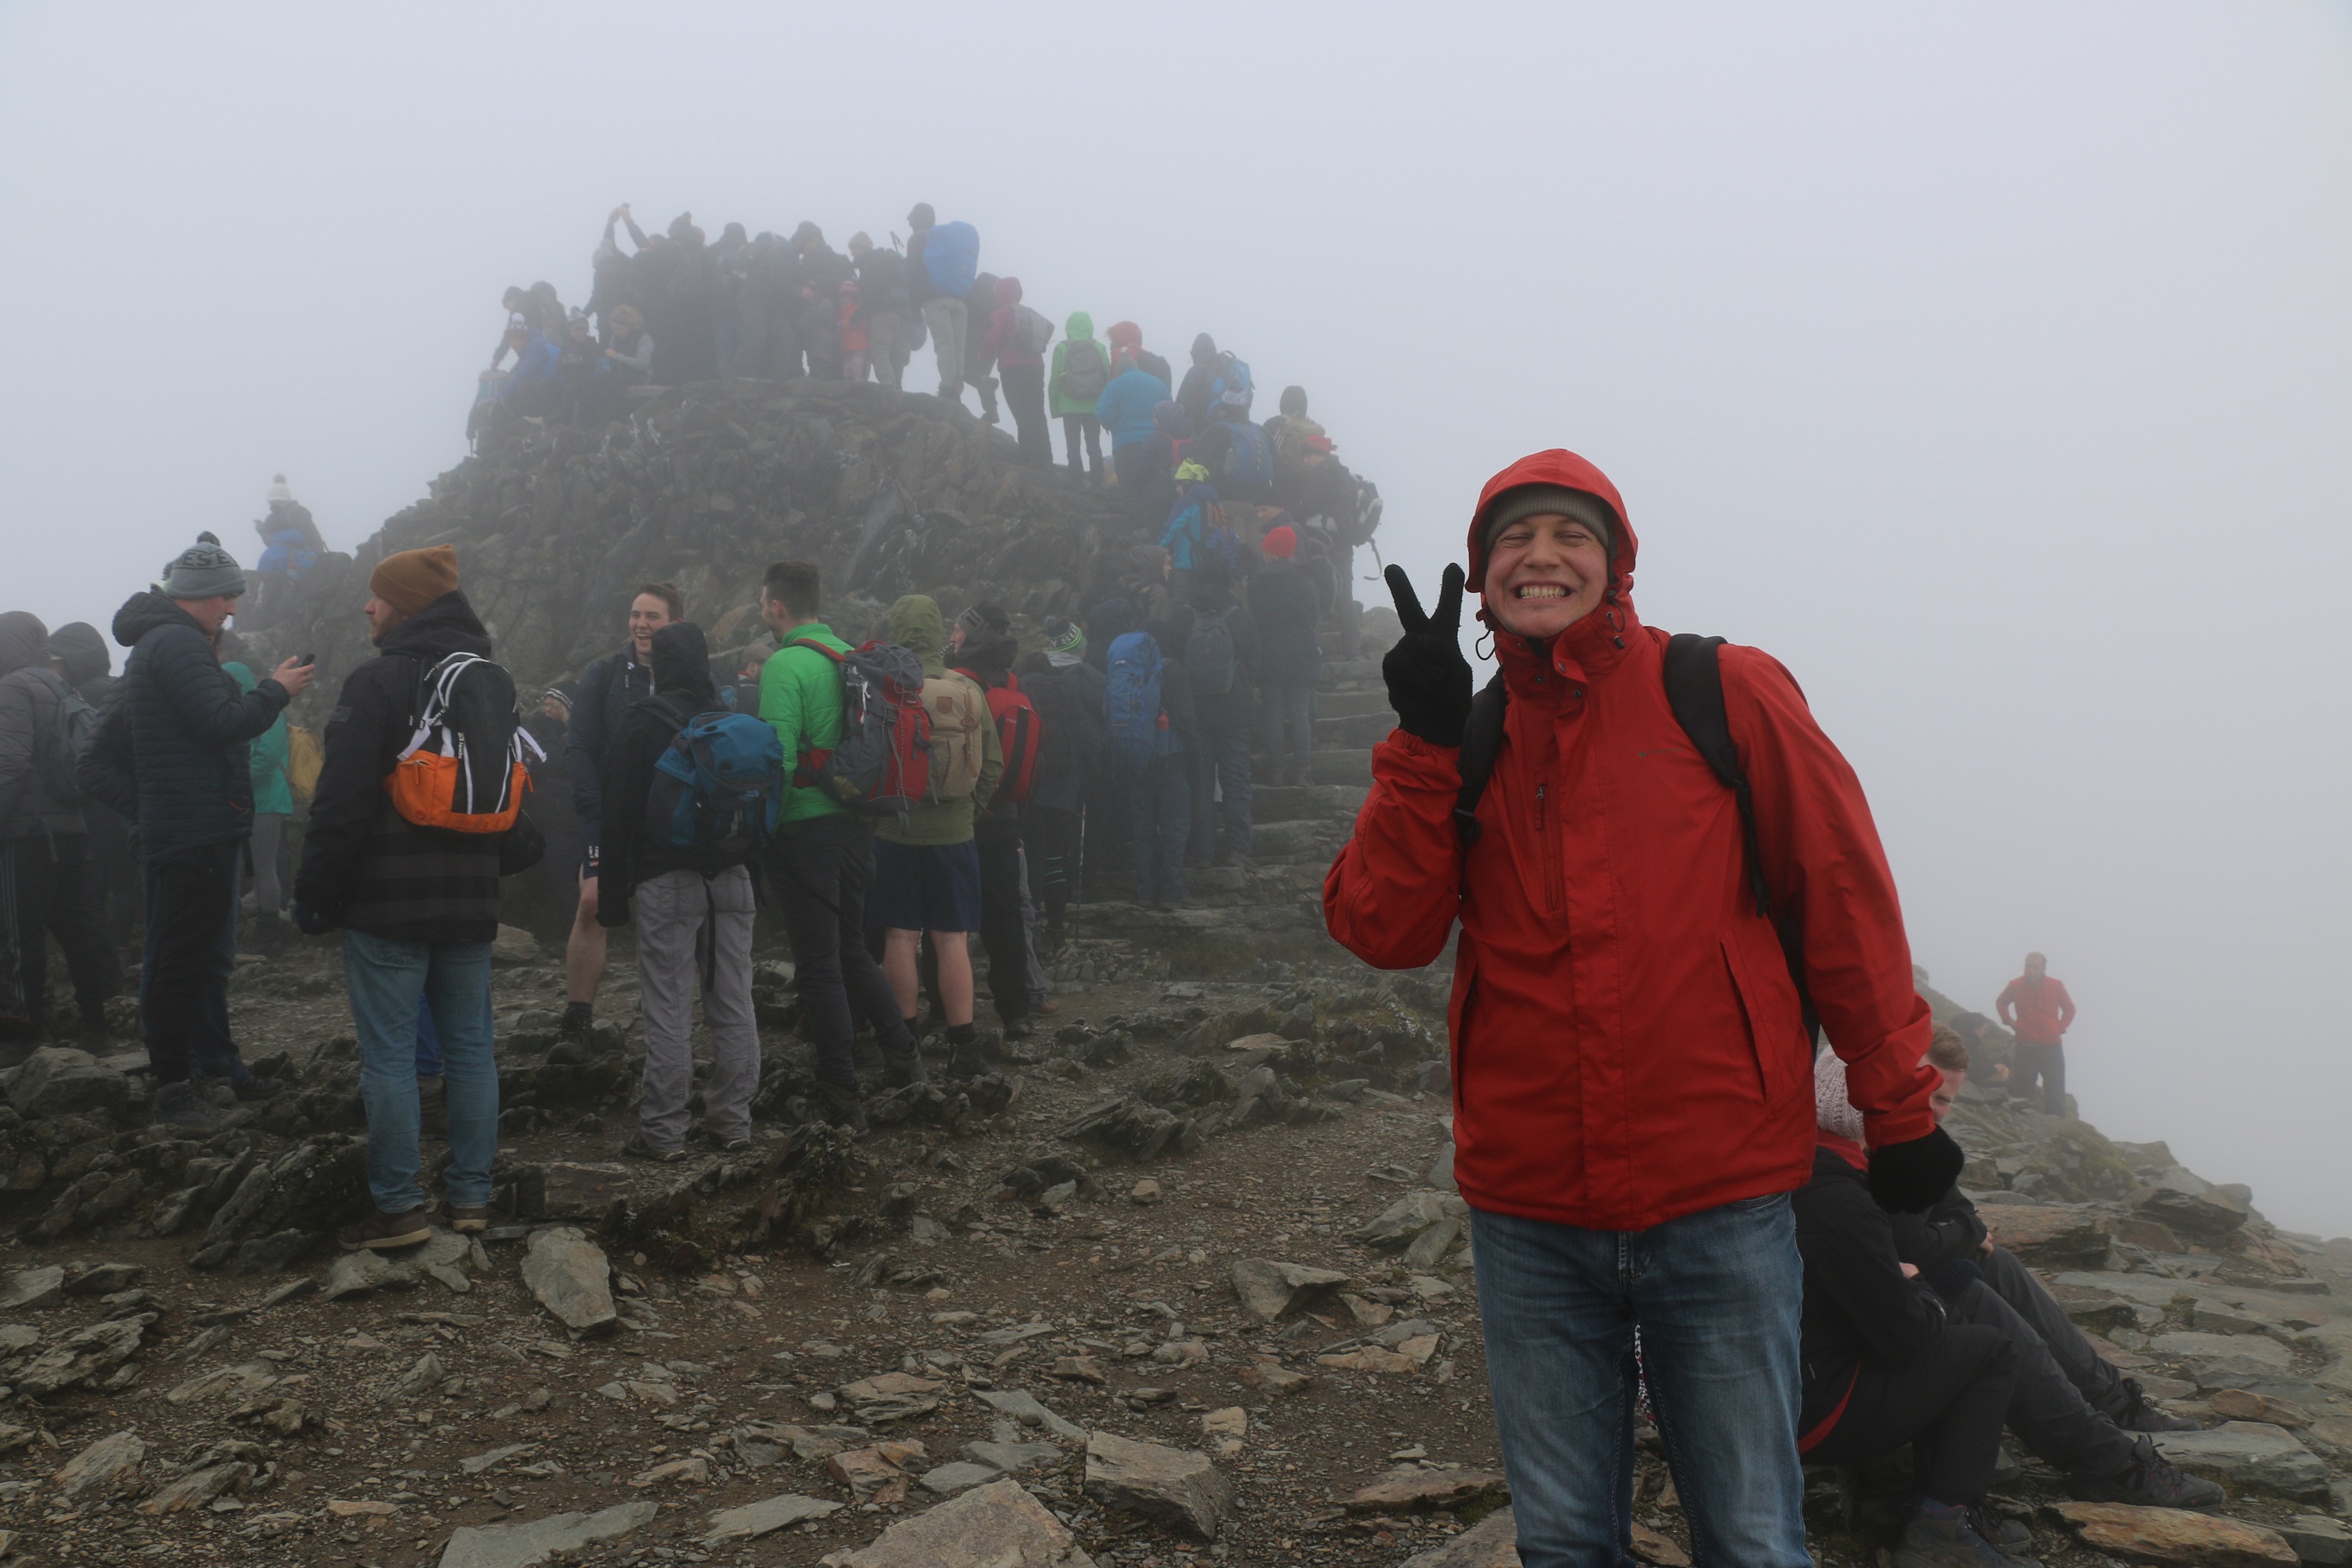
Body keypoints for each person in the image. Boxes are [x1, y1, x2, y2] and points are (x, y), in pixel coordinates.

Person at [1325, 450, 1960, 1568]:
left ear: (1616, 564)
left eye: (1571, 534)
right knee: (1567, 1542)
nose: (1542, 555)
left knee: (1753, 1538)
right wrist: (1421, 752)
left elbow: (1844, 902)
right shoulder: (1467, 739)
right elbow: (1385, 929)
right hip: (1530, 1213)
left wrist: (1900, 1112)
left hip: (1718, 1196)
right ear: (1482, 580)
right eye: (1514, 539)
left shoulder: (1724, 692)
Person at [1894, 1035, 2219, 1498]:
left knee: (1997, 1263)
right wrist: (1960, 1234)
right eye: (1927, 1091)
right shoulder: (1869, 1138)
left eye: (1945, 1099)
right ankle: (2105, 1461)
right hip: (1875, 1304)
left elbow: (1961, 1211)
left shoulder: (1921, 1143)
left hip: (1908, 1279)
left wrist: (1957, 1231)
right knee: (1970, 1290)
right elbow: (1912, 1240)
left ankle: (2111, 1400)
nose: (1934, 1108)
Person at [292, 544, 499, 1249]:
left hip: (387, 903)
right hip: (471, 898)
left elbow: (341, 800)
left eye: (378, 597)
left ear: (405, 605)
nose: (367, 607)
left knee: (389, 1058)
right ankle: (472, 1198)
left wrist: (314, 892)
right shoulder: (488, 679)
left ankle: (399, 1207)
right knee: (471, 1049)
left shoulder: (376, 683)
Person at [113, 543, 315, 1127]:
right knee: (180, 959)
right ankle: (176, 1090)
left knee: (188, 956)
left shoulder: (164, 642)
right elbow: (222, 724)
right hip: (192, 828)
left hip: (186, 824)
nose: (230, 609)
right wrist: (276, 690)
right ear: (199, 594)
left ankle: (206, 1069)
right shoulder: (176, 643)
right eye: (227, 595)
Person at [756, 560, 924, 1130]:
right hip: (858, 825)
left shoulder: (785, 665)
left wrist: (762, 830)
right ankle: (905, 1057)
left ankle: (840, 1088)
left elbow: (777, 758)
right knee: (852, 948)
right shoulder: (850, 657)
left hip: (806, 829)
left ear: (776, 607)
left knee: (820, 965)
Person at [594, 622, 763, 1161]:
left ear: (658, 668)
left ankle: (664, 1133)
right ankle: (732, 1122)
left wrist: (611, 891)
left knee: (668, 1006)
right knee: (734, 998)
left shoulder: (641, 722)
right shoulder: (733, 722)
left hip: (666, 880)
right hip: (733, 878)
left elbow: (617, 813)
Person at [872, 595, 1000, 1080]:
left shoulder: (881, 689)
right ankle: (964, 1049)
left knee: (900, 938)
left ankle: (902, 1052)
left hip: (894, 833)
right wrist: (967, 811)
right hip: (954, 834)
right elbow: (992, 766)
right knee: (952, 941)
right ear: (938, 633)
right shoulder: (966, 688)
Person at [561, 584, 677, 1043]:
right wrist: (595, 807)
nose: (641, 624)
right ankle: (577, 1018)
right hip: (609, 814)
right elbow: (580, 743)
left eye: (653, 616)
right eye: (635, 615)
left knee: (664, 913)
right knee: (591, 904)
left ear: (675, 623)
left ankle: (666, 1026)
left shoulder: (688, 675)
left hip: (667, 817)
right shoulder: (603, 672)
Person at [0, 612, 114, 1056]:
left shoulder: (11, 688)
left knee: (19, 937)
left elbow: (8, 766)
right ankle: (96, 1027)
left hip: (26, 833)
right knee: (75, 928)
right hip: (71, 828)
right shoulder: (59, 684)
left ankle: (22, 1042)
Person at [947, 604, 1035, 1039]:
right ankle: (1015, 1011)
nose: (953, 637)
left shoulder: (962, 683)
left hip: (965, 813)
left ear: (973, 636)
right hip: (1007, 815)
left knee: (948, 918)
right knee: (1005, 916)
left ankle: (947, 1010)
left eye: (958, 630)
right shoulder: (1013, 682)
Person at [48, 622, 136, 963]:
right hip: (126, 801)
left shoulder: (76, 697)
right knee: (125, 882)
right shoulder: (121, 689)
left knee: (93, 887)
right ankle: (123, 948)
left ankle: (99, 955)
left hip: (93, 802)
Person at [1016, 620, 1102, 950]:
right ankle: (1057, 927)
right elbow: (1085, 737)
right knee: (1056, 858)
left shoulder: (1023, 687)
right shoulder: (1066, 689)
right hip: (1065, 789)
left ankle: (1032, 927)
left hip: (1033, 787)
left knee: (1033, 859)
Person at [1111, 622, 1194, 909]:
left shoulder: (1124, 675)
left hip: (1135, 758)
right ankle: (1174, 893)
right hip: (1169, 757)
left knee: (1143, 831)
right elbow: (1185, 715)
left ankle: (1146, 893)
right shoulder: (1171, 670)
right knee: (1174, 828)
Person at [1185, 561, 1258, 867]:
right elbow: (1256, 660)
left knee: (1200, 783)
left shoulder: (1183, 614)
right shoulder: (1239, 615)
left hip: (1196, 712)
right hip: (1235, 711)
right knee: (1236, 781)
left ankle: (1202, 852)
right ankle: (1239, 851)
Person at [220, 648, 293, 954]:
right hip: (252, 801)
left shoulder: (267, 710)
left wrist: (235, 779)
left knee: (264, 868)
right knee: (257, 868)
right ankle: (262, 934)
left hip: (266, 801)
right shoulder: (247, 711)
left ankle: (269, 936)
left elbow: (266, 756)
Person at [1249, 525, 1320, 787]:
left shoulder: (1257, 582)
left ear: (1270, 552)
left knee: (1273, 716)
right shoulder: (1304, 579)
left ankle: (1276, 772)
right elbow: (1314, 616)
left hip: (1269, 656)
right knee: (1300, 714)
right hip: (1301, 655)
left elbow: (1255, 618)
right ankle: (1303, 771)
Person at [905, 204, 979, 404]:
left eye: (911, 216)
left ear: (918, 219)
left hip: (935, 301)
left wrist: (913, 306)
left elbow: (913, 274)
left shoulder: (918, 240)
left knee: (944, 345)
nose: (908, 219)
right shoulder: (944, 240)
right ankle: (956, 389)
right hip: (959, 301)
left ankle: (947, 389)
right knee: (958, 348)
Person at [1097, 355, 1173, 536]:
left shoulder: (1114, 385)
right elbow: (1170, 409)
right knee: (1153, 484)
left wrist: (1114, 426)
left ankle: (1138, 530)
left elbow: (1102, 413)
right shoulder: (1157, 383)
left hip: (1125, 444)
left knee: (1130, 488)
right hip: (1155, 441)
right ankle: (1158, 529)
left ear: (1119, 370)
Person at [1995, 953, 2074, 1117]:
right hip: (2026, 1046)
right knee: (2023, 1090)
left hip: (2052, 1047)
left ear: (2043, 969)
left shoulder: (2055, 985)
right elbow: (2001, 1002)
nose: (2029, 970)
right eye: (2027, 966)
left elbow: (2070, 1009)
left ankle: (2057, 1130)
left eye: (2034, 967)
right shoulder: (2015, 985)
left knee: (2055, 1090)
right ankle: (2022, 1125)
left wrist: (2060, 1027)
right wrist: (2008, 1020)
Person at [987, 279, 1051, 465]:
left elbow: (992, 339)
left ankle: (1029, 458)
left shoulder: (1001, 313)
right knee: (1037, 413)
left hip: (1012, 368)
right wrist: (1035, 346)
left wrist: (981, 356)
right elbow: (1049, 327)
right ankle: (1045, 460)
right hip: (1036, 367)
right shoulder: (1031, 313)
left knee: (1021, 413)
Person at [1050, 311, 1111, 480]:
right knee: (1094, 445)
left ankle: (1075, 481)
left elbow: (1055, 381)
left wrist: (1056, 409)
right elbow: (1108, 378)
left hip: (1069, 406)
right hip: (1094, 405)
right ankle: (1098, 482)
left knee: (1072, 445)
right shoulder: (1099, 348)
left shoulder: (1061, 348)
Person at [848, 232, 912, 390]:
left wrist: (860, 313)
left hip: (882, 313)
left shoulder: (872, 265)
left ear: (865, 247)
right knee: (894, 355)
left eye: (855, 248)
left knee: (879, 352)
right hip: (900, 314)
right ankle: (897, 390)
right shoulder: (883, 262)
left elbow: (873, 294)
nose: (853, 252)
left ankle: (889, 390)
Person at [964, 271, 1003, 423]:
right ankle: (991, 411)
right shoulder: (998, 302)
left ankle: (952, 401)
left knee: (964, 371)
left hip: (973, 340)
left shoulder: (973, 296)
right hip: (993, 347)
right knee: (982, 379)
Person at [1104, 321, 1173, 389]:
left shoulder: (1121, 354)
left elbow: (1116, 387)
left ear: (1120, 337)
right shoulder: (1158, 361)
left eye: (1113, 339)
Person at [1175, 333, 1221, 431]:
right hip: (1231, 432)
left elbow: (1180, 407)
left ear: (1194, 354)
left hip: (1202, 433)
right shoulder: (1226, 370)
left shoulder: (1195, 372)